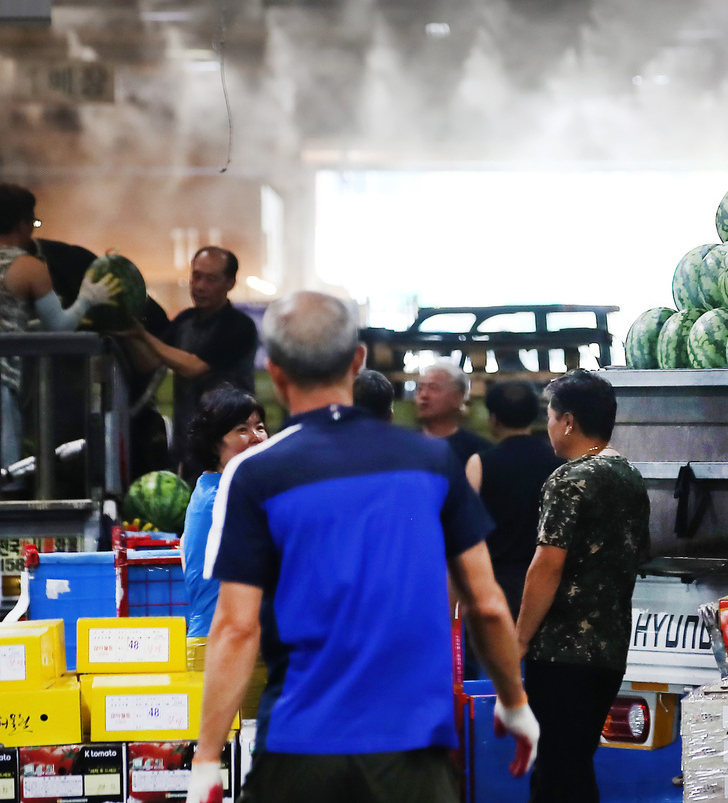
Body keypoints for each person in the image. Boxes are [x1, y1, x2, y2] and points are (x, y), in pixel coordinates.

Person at [186, 291, 537, 803]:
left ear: (277, 375)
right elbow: (485, 605)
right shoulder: (432, 462)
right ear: (356, 362)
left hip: (301, 751)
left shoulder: (255, 474)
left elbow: (236, 628)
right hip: (412, 751)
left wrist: (206, 760)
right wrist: (514, 703)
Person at [514, 370, 650, 803]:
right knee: (573, 766)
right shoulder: (627, 474)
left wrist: (517, 641)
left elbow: (546, 567)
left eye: (550, 416)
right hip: (607, 651)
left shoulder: (569, 479)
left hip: (560, 651)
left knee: (555, 772)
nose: (549, 427)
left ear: (568, 420)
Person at [0, 184, 119, 466]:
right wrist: (87, 298)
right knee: (1, 480)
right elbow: (60, 328)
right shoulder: (28, 266)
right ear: (24, 224)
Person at [122, 247, 258, 470]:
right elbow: (148, 362)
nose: (201, 286)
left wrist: (142, 334)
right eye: (197, 276)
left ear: (230, 283)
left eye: (211, 279)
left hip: (231, 450)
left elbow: (192, 366)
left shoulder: (239, 326)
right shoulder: (184, 321)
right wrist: (126, 332)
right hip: (188, 448)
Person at [465, 381, 562, 618]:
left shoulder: (480, 463)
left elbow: (464, 528)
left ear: (493, 419)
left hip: (495, 582)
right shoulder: (559, 463)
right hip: (547, 581)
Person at [180, 386, 267, 637]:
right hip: (225, 644)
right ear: (213, 444)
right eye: (242, 429)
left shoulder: (212, 488)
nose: (256, 437)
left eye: (259, 427)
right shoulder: (223, 501)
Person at [414, 361, 490, 465]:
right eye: (420, 388)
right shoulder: (402, 446)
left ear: (458, 397)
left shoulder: (479, 452)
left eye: (433, 388)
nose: (423, 395)